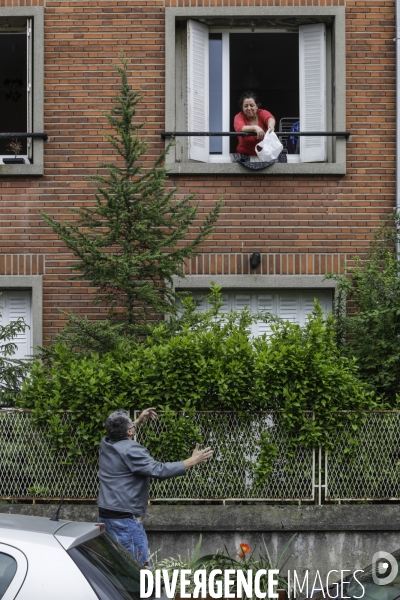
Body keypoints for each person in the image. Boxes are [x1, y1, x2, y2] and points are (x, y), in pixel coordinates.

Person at [98, 407, 213, 565]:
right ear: (130, 432)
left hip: (106, 515)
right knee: (140, 568)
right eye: (131, 425)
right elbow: (159, 470)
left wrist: (137, 421)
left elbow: (120, 431)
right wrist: (193, 460)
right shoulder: (132, 450)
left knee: (118, 567)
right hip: (124, 520)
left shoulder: (106, 444)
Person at [231, 91, 283, 169]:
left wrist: (271, 126)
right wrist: (255, 127)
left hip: (265, 155)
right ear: (242, 107)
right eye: (245, 106)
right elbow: (239, 128)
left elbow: (270, 118)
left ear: (257, 106)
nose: (249, 108)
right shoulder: (239, 116)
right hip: (244, 156)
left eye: (251, 105)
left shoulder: (262, 113)